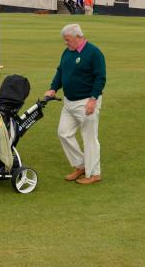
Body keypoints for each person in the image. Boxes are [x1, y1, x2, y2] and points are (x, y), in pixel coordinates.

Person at [44, 23, 106, 185]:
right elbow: (61, 71)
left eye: (68, 40)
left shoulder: (94, 53)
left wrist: (93, 99)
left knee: (89, 138)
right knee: (63, 132)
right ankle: (81, 165)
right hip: (69, 102)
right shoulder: (67, 52)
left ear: (78, 37)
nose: (66, 43)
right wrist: (53, 88)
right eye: (65, 40)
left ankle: (94, 173)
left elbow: (100, 78)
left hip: (86, 102)